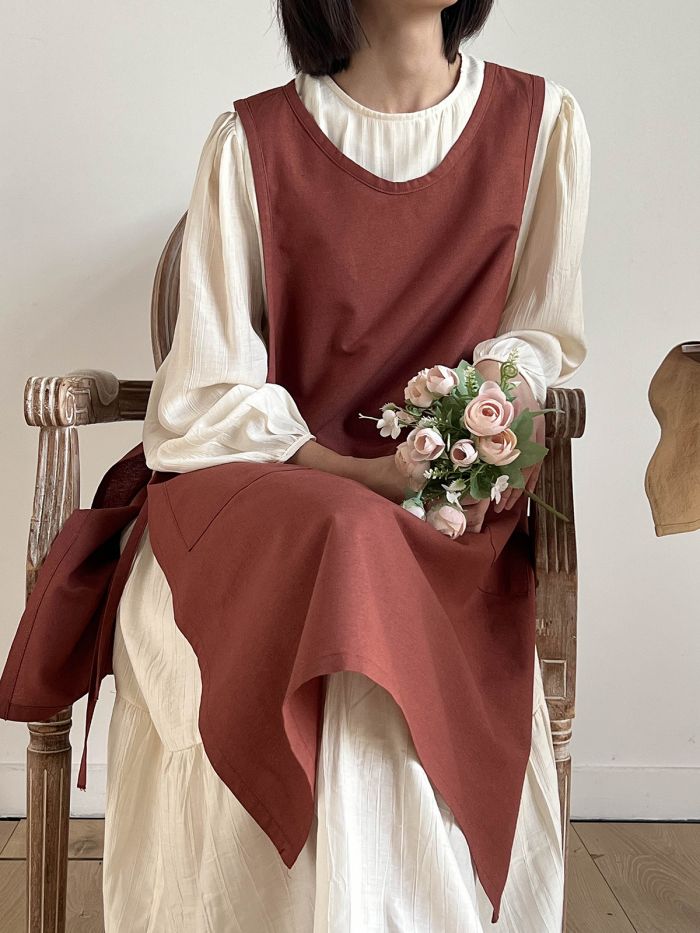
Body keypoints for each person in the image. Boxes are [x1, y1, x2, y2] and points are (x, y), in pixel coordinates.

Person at [102, 1, 591, 929]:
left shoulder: (543, 125)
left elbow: (537, 334)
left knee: (358, 545)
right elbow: (209, 383)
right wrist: (361, 475)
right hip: (276, 481)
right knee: (345, 533)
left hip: (445, 511)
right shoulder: (249, 142)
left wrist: (479, 418)